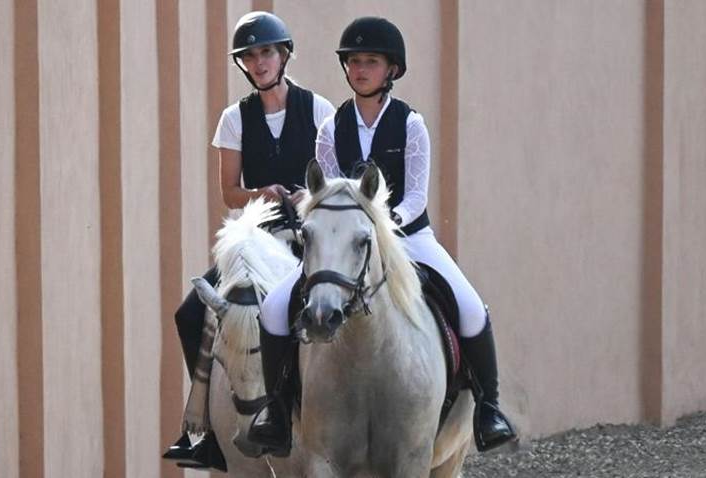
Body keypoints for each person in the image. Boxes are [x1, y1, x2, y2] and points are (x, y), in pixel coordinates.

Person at [250, 16, 517, 456]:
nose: (359, 70)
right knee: (276, 308)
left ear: (391, 69)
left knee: (470, 306)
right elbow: (326, 192)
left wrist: (380, 224)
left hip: (409, 238)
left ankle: (489, 409)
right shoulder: (330, 129)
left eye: (370, 62)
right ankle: (276, 412)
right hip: (343, 245)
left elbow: (415, 196)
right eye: (353, 62)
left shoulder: (411, 124)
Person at [163, 11, 335, 470]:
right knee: (191, 311)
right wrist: (263, 192)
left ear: (283, 55)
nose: (258, 62)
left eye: (266, 52)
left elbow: (333, 182)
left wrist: (306, 196)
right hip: (255, 237)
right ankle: (199, 427)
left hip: (305, 235)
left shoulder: (319, 110)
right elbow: (229, 191)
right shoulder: (233, 118)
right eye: (250, 56)